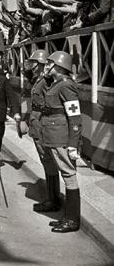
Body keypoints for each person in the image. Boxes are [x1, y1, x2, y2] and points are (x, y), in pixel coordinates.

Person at [42, 51, 82, 233]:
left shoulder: (65, 86)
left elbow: (75, 117)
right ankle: (68, 217)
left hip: (61, 137)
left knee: (69, 175)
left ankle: (72, 220)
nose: (46, 66)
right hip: (53, 135)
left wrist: (73, 144)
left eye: (49, 63)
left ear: (58, 67)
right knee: (66, 174)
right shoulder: (57, 84)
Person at [24, 49, 61, 213]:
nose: (30, 65)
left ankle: (53, 200)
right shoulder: (38, 79)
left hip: (42, 123)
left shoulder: (46, 81)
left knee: (49, 162)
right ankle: (51, 198)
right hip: (37, 122)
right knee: (46, 162)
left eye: (33, 63)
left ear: (40, 64)